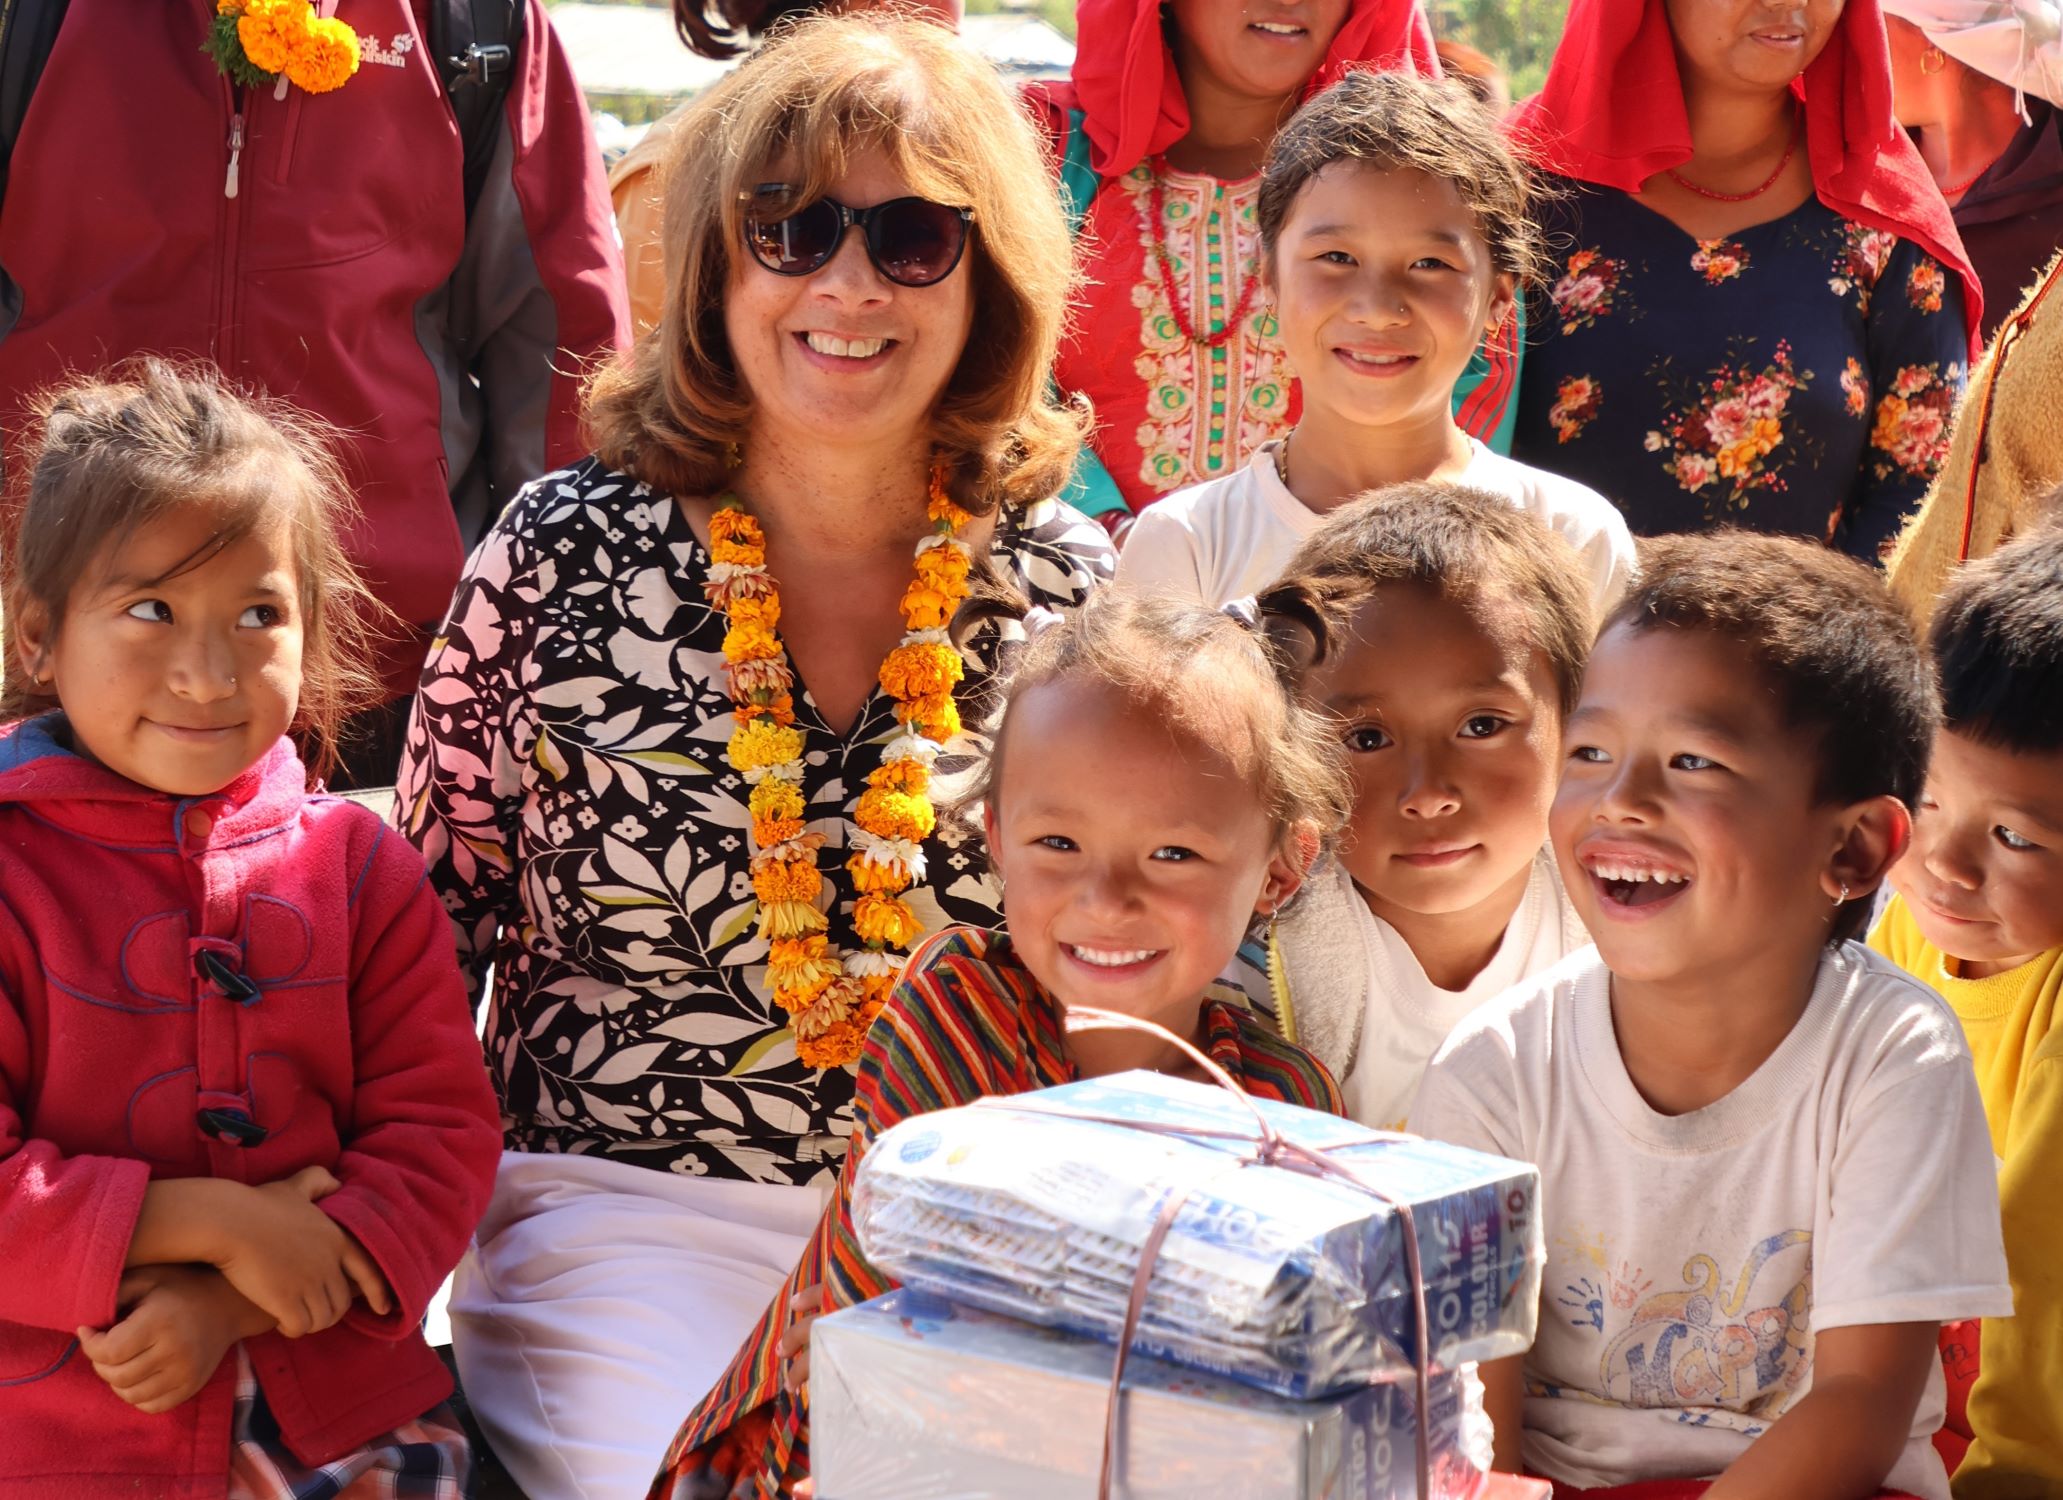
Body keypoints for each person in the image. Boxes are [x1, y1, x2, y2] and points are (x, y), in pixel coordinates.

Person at [396, 16, 1113, 1497]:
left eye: (912, 237)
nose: (845, 284)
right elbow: (415, 943)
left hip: (966, 1238)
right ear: (718, 265)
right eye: (789, 229)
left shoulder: (1067, 587)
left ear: (986, 284)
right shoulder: (555, 554)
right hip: (621, 1221)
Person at [647, 590, 1351, 1498]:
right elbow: (887, 1353)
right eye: (1057, 841)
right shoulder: (959, 1011)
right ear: (995, 840)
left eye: (1173, 854)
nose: (1105, 898)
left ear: (1282, 867)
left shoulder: (1283, 1100)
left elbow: (1281, 1372)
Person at [1412, 531, 2012, 1499]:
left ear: (1854, 850)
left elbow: (1858, 1406)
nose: (1620, 801)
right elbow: (1473, 1428)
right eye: (1590, 751)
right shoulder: (1490, 1074)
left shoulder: (1893, 1057)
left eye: (1692, 760)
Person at [0, 361, 501, 1495]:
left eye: (259, 614)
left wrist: (236, 1296)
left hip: (334, 1422)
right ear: (38, 634)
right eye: (149, 610)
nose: (208, 668)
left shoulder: (356, 869)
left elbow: (441, 1135)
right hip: (54, 1439)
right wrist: (217, 1222)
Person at [0, 1, 631, 785]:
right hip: (68, 652)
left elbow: (560, 338)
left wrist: (554, 616)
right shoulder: (36, 19)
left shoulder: (474, 22)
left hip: (382, 666)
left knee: (361, 901)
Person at [1115, 70, 1634, 613]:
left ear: (1500, 301)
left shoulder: (1574, 537)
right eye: (1336, 258)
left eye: (1430, 264)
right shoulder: (1188, 546)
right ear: (1270, 279)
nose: (1379, 310)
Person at [1024, 0, 1529, 531]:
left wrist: (1351, 566)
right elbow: (994, 371)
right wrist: (1102, 535)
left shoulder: (1439, 181)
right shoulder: (1050, 150)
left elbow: (1470, 392)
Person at [1508, 0, 1981, 563]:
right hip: (1548, 638)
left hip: (1802, 642)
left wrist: (1822, 640)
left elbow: (1920, 495)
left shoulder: (1886, 225)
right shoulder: (1520, 197)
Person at [1250, 484, 1595, 1130]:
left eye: (1482, 725)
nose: (1429, 794)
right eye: (1367, 739)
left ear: (1576, 729)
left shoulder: (1630, 928)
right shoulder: (1252, 947)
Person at [1872, 528, 2063, 1492]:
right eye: (1927, 797)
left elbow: (2043, 1287)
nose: (1945, 865)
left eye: (2016, 837)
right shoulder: (1905, 924)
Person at [611, 0, 967, 336]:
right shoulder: (667, 174)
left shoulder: (966, 150)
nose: (853, 289)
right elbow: (645, 382)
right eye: (787, 234)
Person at [1883, 0, 2063, 341]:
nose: (1854, 44)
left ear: (1935, 44)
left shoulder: (2053, 198)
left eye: (1873, 21)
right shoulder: (1857, 175)